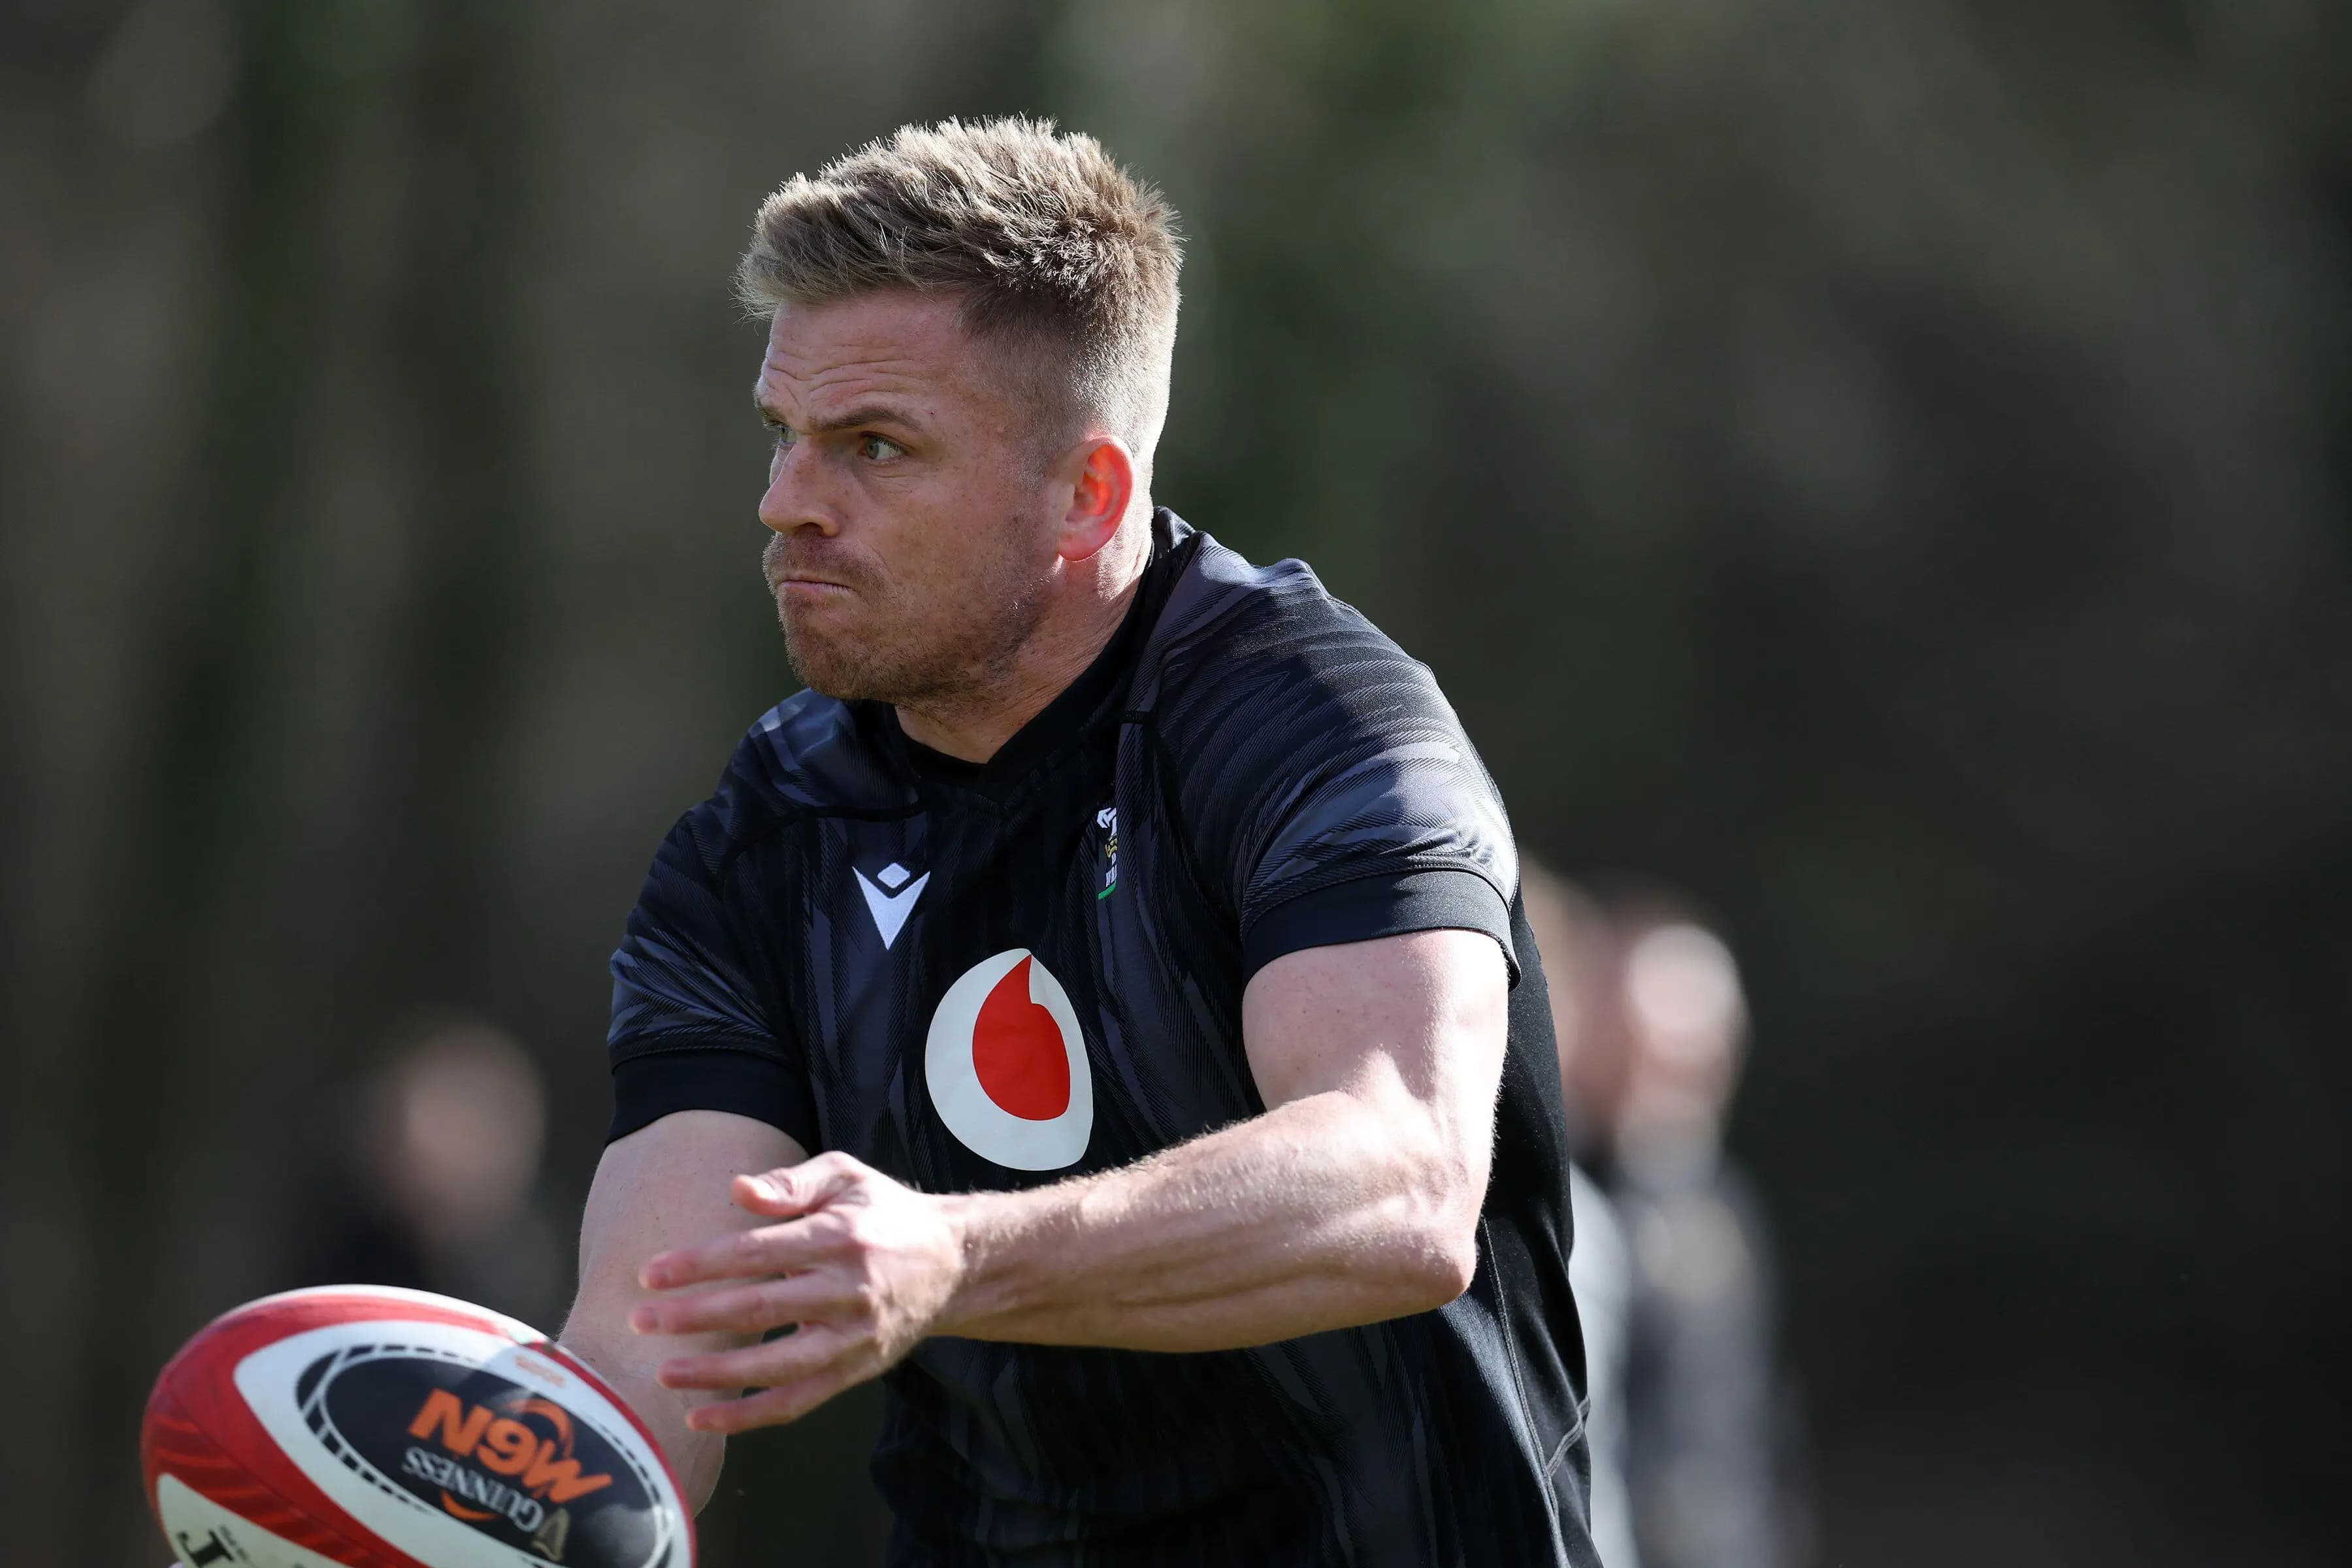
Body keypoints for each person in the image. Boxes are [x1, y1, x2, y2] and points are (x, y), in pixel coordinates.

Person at [556, 118, 1601, 1566]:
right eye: (783, 438)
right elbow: (653, 1334)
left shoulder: (1313, 726)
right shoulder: (766, 833)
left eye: (874, 447)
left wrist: (956, 1255)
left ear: (1086, 496)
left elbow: (1401, 1187)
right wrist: (493, 1507)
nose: (787, 502)